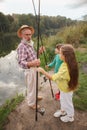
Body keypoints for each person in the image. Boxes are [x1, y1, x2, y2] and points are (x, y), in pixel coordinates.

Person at [37, 44, 79, 122]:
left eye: (60, 53)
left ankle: (70, 116)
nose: (59, 54)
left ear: (65, 56)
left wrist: (43, 71)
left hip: (66, 90)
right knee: (62, 100)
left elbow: (53, 77)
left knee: (68, 103)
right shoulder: (65, 63)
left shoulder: (66, 68)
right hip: (63, 88)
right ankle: (63, 111)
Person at [17, 25, 44, 110]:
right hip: (30, 71)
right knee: (31, 88)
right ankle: (31, 104)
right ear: (21, 35)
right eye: (26, 35)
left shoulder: (30, 44)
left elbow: (33, 56)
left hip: (35, 68)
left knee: (35, 85)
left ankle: (35, 97)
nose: (29, 36)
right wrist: (32, 63)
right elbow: (21, 62)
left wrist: (39, 52)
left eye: (30, 34)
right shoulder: (22, 46)